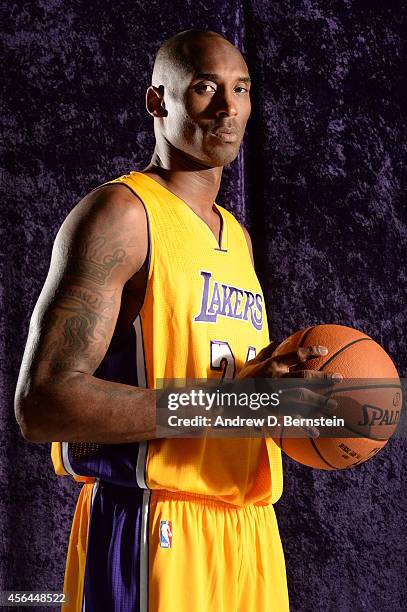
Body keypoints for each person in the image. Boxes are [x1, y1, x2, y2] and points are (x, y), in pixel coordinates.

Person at [15, 29, 337, 612]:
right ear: (157, 101)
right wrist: (229, 403)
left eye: (241, 89)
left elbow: (227, 389)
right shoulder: (120, 214)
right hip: (153, 519)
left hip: (249, 528)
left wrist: (283, 393)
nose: (228, 107)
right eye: (206, 88)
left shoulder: (233, 235)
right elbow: (43, 405)